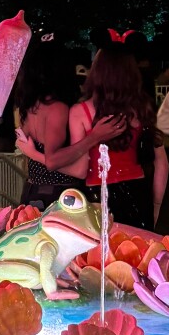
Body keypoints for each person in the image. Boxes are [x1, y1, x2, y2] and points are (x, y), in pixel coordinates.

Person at [68, 44, 169, 229]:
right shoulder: (141, 109)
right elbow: (162, 163)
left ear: (97, 72)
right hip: (137, 194)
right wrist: (155, 206)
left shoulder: (80, 112)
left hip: (97, 195)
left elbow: (79, 169)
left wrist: (42, 157)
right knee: (136, 246)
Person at [11, 40, 111, 209]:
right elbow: (64, 165)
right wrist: (94, 138)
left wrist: (33, 154)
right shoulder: (57, 108)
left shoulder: (29, 106)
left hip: (33, 191)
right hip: (59, 195)